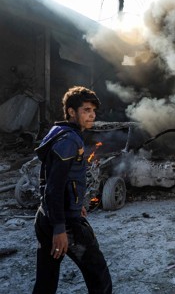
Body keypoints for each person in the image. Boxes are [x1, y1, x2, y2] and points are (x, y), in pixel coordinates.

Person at [33, 86, 112, 294]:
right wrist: (60, 228)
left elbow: (62, 180)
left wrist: (77, 204)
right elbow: (54, 187)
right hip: (64, 223)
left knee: (46, 282)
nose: (92, 115)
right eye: (86, 110)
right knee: (100, 279)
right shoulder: (69, 140)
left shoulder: (59, 133)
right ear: (71, 111)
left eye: (93, 111)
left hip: (45, 215)